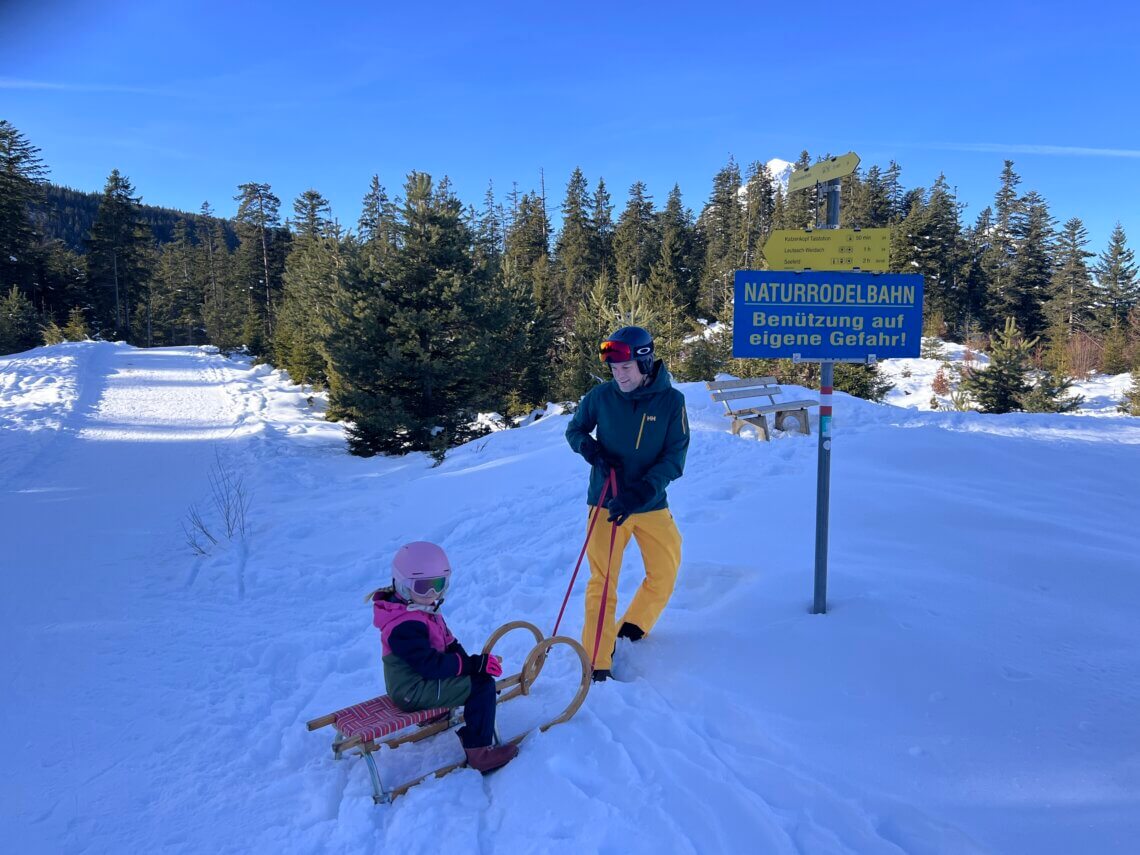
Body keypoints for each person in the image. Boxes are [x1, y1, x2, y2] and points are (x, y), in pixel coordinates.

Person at [565, 325, 689, 681]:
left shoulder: (671, 402)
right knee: (602, 582)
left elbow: (674, 457)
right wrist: (590, 449)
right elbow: (575, 430)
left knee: (665, 569)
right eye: (614, 369)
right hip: (606, 502)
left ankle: (634, 624)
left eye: (626, 368)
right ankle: (596, 661)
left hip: (648, 504)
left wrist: (641, 491)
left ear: (645, 362)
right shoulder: (601, 397)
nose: (619, 375)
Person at [370, 541, 518, 773]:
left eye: (439, 585)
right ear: (403, 585)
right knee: (482, 687)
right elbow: (431, 665)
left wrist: (473, 666)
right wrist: (475, 670)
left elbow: (449, 644)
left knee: (476, 678)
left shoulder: (420, 609)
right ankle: (479, 753)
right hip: (412, 691)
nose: (433, 594)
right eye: (423, 587)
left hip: (420, 682)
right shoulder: (404, 625)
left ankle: (453, 712)